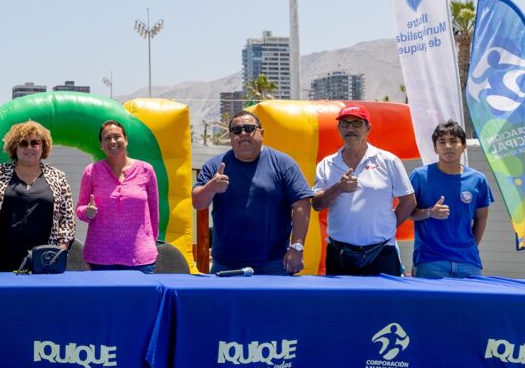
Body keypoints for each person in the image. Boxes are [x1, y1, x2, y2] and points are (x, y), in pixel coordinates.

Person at [192, 111, 313, 275]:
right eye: (236, 130)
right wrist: (211, 187)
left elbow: (302, 204)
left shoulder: (283, 163)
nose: (243, 134)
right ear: (231, 137)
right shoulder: (215, 165)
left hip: (274, 263)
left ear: (261, 133)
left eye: (249, 128)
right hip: (226, 264)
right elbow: (198, 202)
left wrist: (297, 247)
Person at [313, 105, 416, 276]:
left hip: (382, 253)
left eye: (356, 123)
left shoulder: (388, 161)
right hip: (340, 254)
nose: (350, 128)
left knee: (383, 303)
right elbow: (316, 204)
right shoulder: (327, 164)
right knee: (342, 303)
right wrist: (339, 188)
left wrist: (388, 226)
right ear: (339, 128)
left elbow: (409, 201)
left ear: (368, 128)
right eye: (345, 124)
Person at [0, 120, 75, 272]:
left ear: (43, 146)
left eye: (35, 143)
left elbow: (67, 218)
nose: (29, 148)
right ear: (14, 147)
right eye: (23, 143)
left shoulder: (58, 176)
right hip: (1, 259)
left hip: (43, 260)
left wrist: (60, 249)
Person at [408, 120, 493, 278]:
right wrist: (429, 212)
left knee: (469, 304)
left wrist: (471, 248)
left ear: (464, 146)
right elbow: (407, 213)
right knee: (430, 304)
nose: (448, 146)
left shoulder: (478, 180)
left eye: (453, 141)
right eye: (442, 142)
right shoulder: (419, 176)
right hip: (430, 261)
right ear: (435, 148)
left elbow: (481, 219)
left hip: (468, 262)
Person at [75, 120, 159, 273]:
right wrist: (87, 211)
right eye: (107, 138)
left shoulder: (146, 170)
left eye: (116, 136)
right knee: (106, 298)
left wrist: (150, 244)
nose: (112, 141)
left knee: (140, 298)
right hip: (101, 257)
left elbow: (154, 213)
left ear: (126, 140)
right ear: (101, 145)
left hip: (140, 257)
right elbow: (80, 208)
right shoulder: (91, 171)